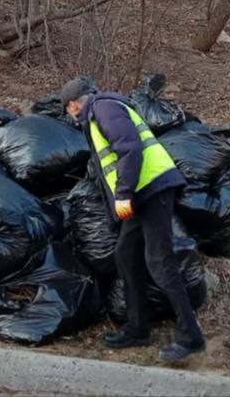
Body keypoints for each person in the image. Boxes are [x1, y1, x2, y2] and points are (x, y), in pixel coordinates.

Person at [59, 76, 206, 363]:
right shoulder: (98, 114)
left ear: (74, 104)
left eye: (67, 108)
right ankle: (138, 328)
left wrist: (124, 194)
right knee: (125, 255)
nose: (68, 114)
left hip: (151, 190)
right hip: (141, 194)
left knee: (160, 262)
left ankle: (191, 335)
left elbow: (130, 148)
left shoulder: (104, 108)